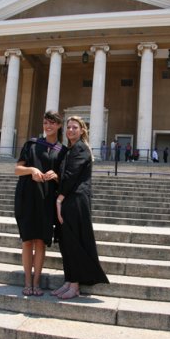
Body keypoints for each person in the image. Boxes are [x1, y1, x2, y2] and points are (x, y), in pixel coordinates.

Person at [51, 115, 109, 299]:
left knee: (73, 242)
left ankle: (75, 286)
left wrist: (59, 199)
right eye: (68, 127)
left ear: (82, 130)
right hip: (69, 199)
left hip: (75, 200)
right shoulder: (71, 149)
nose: (70, 130)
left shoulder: (81, 149)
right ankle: (68, 280)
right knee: (66, 242)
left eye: (75, 127)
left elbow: (71, 176)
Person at [14, 110, 67, 296]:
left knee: (40, 242)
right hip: (27, 197)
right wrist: (31, 170)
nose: (48, 126)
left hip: (47, 199)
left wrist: (57, 176)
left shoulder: (63, 151)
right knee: (27, 240)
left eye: (52, 123)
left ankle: (37, 284)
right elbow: (17, 170)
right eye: (45, 123)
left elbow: (66, 181)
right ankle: (27, 282)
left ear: (59, 125)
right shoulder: (31, 144)